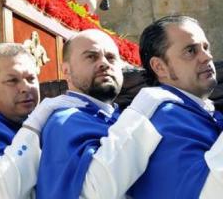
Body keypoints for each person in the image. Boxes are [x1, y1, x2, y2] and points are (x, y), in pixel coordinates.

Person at [35, 29, 175, 198]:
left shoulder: (117, 117)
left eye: (110, 57)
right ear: (66, 70)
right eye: (91, 57)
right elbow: (95, 192)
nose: (104, 63)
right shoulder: (65, 122)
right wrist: (142, 110)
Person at [0, 43, 82, 199]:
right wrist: (35, 123)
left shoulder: (45, 125)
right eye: (12, 81)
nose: (25, 88)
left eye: (31, 78)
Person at [128, 15, 223, 198]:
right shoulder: (164, 120)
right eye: (190, 51)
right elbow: (206, 192)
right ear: (159, 67)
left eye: (205, 47)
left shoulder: (196, 111)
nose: (207, 56)